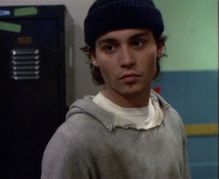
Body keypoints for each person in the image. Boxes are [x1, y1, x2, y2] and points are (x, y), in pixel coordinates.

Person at [41, 0, 191, 178]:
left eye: (138, 43)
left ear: (158, 47)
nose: (126, 60)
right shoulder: (73, 140)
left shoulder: (172, 121)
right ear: (94, 56)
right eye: (110, 47)